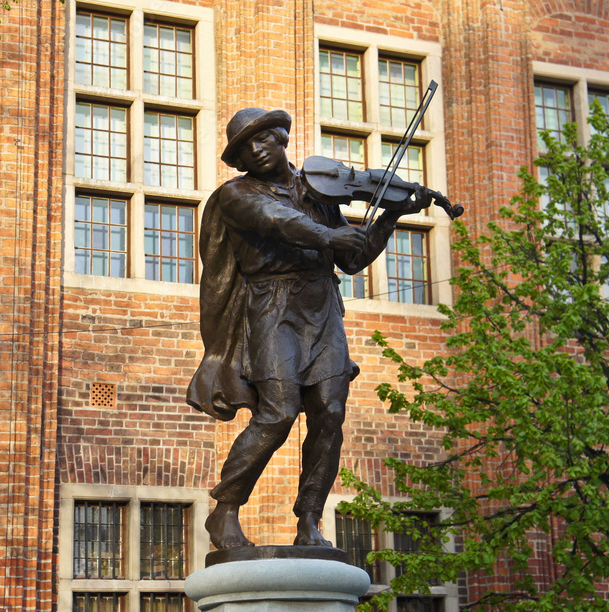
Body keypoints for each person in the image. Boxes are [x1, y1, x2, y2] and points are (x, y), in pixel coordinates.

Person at [187, 107, 447, 549]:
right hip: (272, 309)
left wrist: (390, 217)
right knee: (279, 413)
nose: (255, 150)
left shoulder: (319, 191)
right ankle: (225, 510)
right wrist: (328, 237)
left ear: (281, 138)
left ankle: (309, 520)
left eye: (262, 139)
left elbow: (352, 257)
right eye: (245, 147)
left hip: (322, 308)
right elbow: (278, 221)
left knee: (330, 413)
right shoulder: (236, 194)